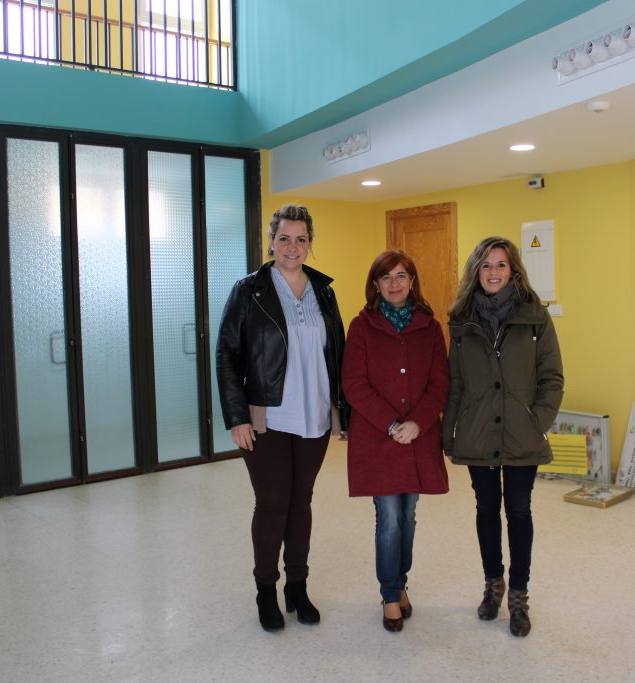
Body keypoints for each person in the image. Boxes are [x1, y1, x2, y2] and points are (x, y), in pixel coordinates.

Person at [215, 204, 348, 632]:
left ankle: (297, 587)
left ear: (311, 243)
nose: (293, 246)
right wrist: (236, 416)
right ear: (271, 241)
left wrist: (343, 411)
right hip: (266, 416)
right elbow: (227, 354)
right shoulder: (249, 290)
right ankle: (265, 590)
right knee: (272, 503)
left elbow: (338, 351)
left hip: (315, 416)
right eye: (284, 238)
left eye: (301, 239)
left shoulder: (323, 291)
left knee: (301, 502)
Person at [442, 236, 564, 638]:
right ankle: (493, 585)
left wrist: (536, 422)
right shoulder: (461, 320)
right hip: (477, 432)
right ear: (475, 271)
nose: (493, 272)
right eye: (486, 265)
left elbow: (552, 378)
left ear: (513, 271)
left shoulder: (535, 317)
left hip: (520, 434)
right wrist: (449, 431)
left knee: (519, 511)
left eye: (501, 265)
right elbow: (455, 382)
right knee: (486, 510)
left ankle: (519, 596)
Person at [342, 250, 449, 632]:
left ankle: (400, 583)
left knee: (408, 514)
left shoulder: (430, 327)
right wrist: (391, 424)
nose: (394, 284)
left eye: (401, 275)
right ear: (375, 284)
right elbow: (354, 383)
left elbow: (440, 382)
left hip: (418, 438)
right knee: (388, 517)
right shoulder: (361, 326)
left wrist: (418, 423)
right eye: (386, 277)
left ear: (412, 281)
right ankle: (390, 595)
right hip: (379, 439)